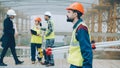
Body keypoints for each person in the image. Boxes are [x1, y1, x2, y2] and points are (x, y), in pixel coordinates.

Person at [66, 2, 93, 68]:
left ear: (75, 14)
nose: (67, 14)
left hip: (79, 65)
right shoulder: (77, 27)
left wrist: (87, 66)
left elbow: (87, 50)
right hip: (75, 64)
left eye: (69, 12)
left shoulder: (81, 28)